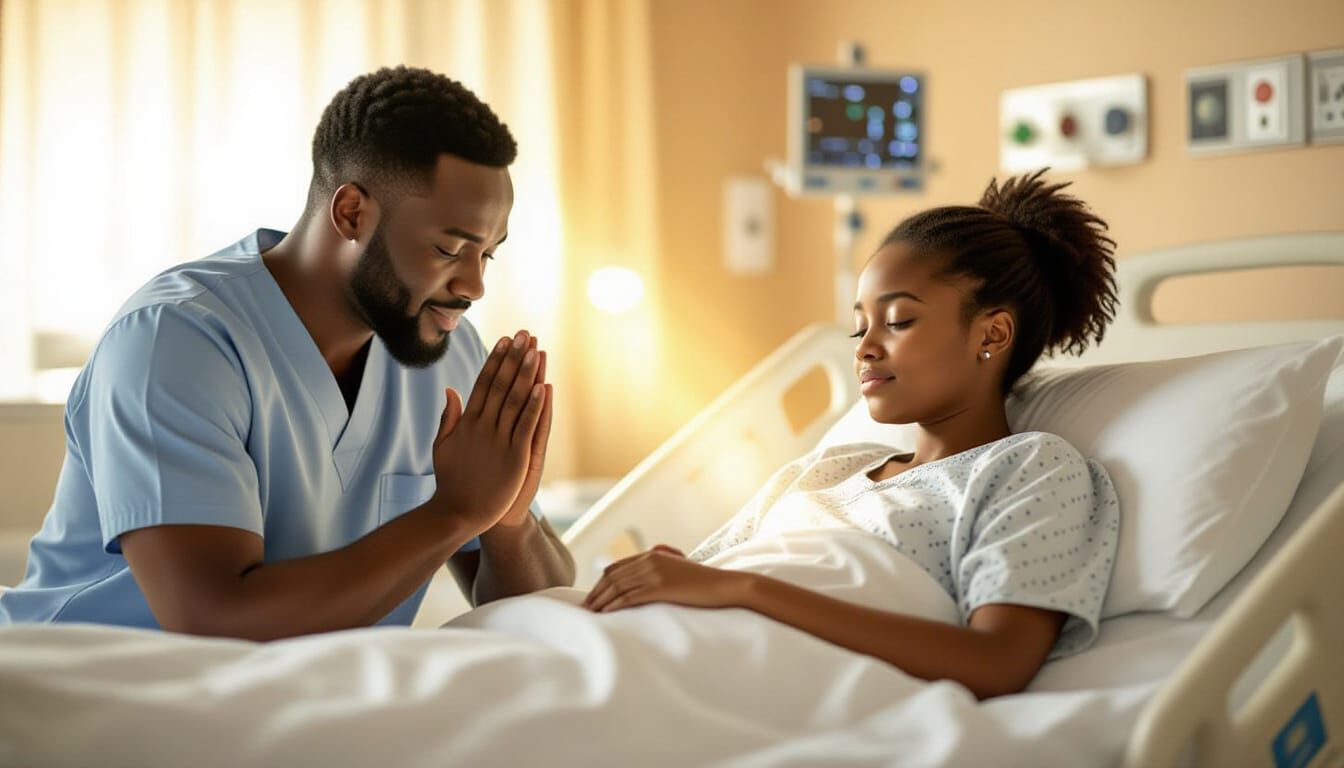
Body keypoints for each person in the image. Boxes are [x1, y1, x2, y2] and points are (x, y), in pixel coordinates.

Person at [0, 66, 574, 639]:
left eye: (488, 255)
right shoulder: (175, 339)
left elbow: (542, 601)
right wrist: (455, 512)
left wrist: (508, 515)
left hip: (297, 698)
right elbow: (213, 617)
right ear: (352, 213)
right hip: (83, 684)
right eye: (450, 248)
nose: (474, 287)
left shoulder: (443, 350)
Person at [583, 170, 1121, 700]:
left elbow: (997, 661)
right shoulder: (825, 467)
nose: (864, 348)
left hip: (752, 677)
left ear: (992, 332)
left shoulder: (1029, 468)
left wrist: (745, 589)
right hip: (661, 645)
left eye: (899, 321)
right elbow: (702, 574)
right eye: (859, 326)